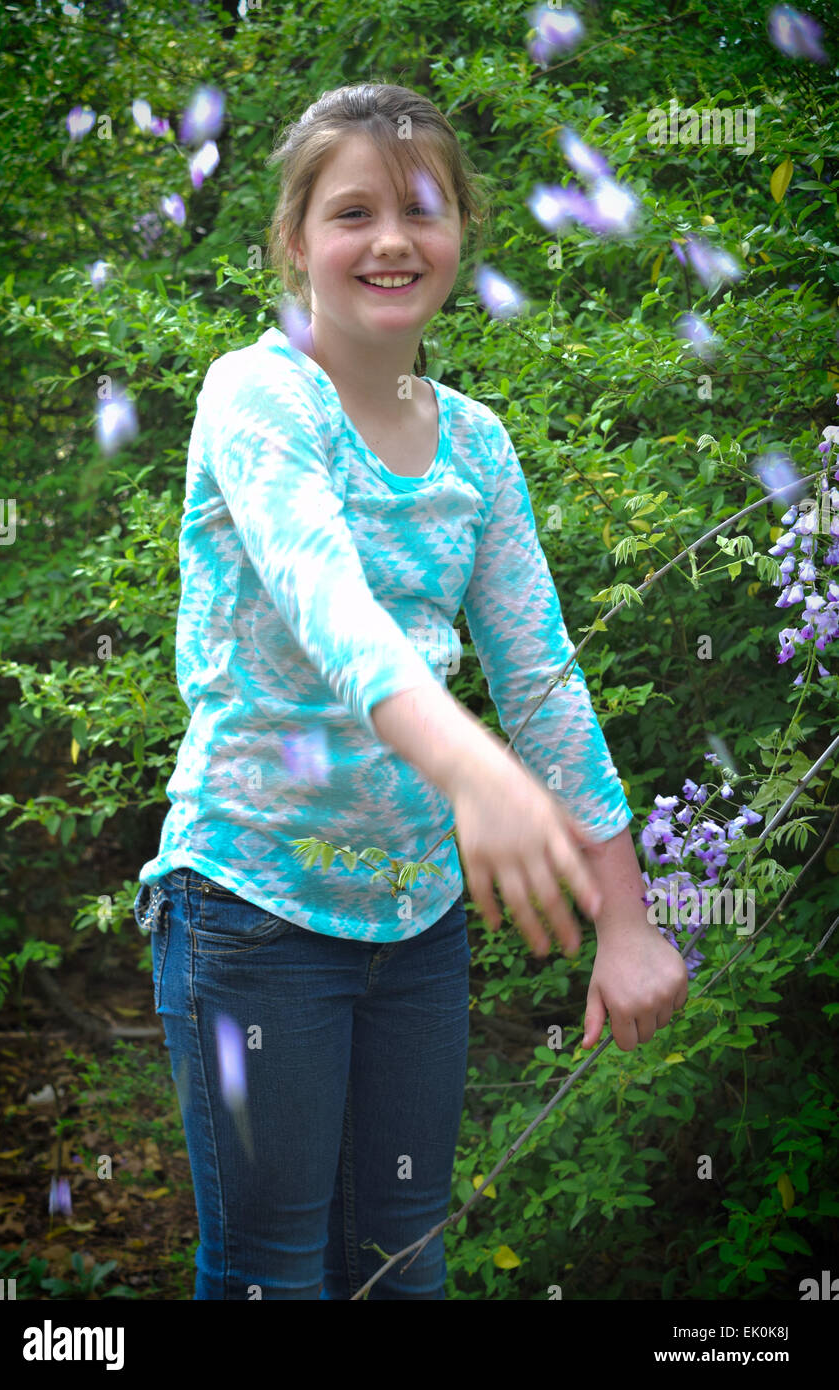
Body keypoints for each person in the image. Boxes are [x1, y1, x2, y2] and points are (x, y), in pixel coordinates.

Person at [132, 81, 688, 1301]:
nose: (390, 239)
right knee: (275, 1276)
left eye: (422, 210)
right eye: (351, 212)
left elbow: (539, 678)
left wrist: (624, 915)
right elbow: (330, 606)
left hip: (416, 931)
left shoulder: (477, 446)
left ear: (459, 234)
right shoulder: (256, 395)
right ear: (293, 242)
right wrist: (470, 771)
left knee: (400, 1271)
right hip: (251, 907)